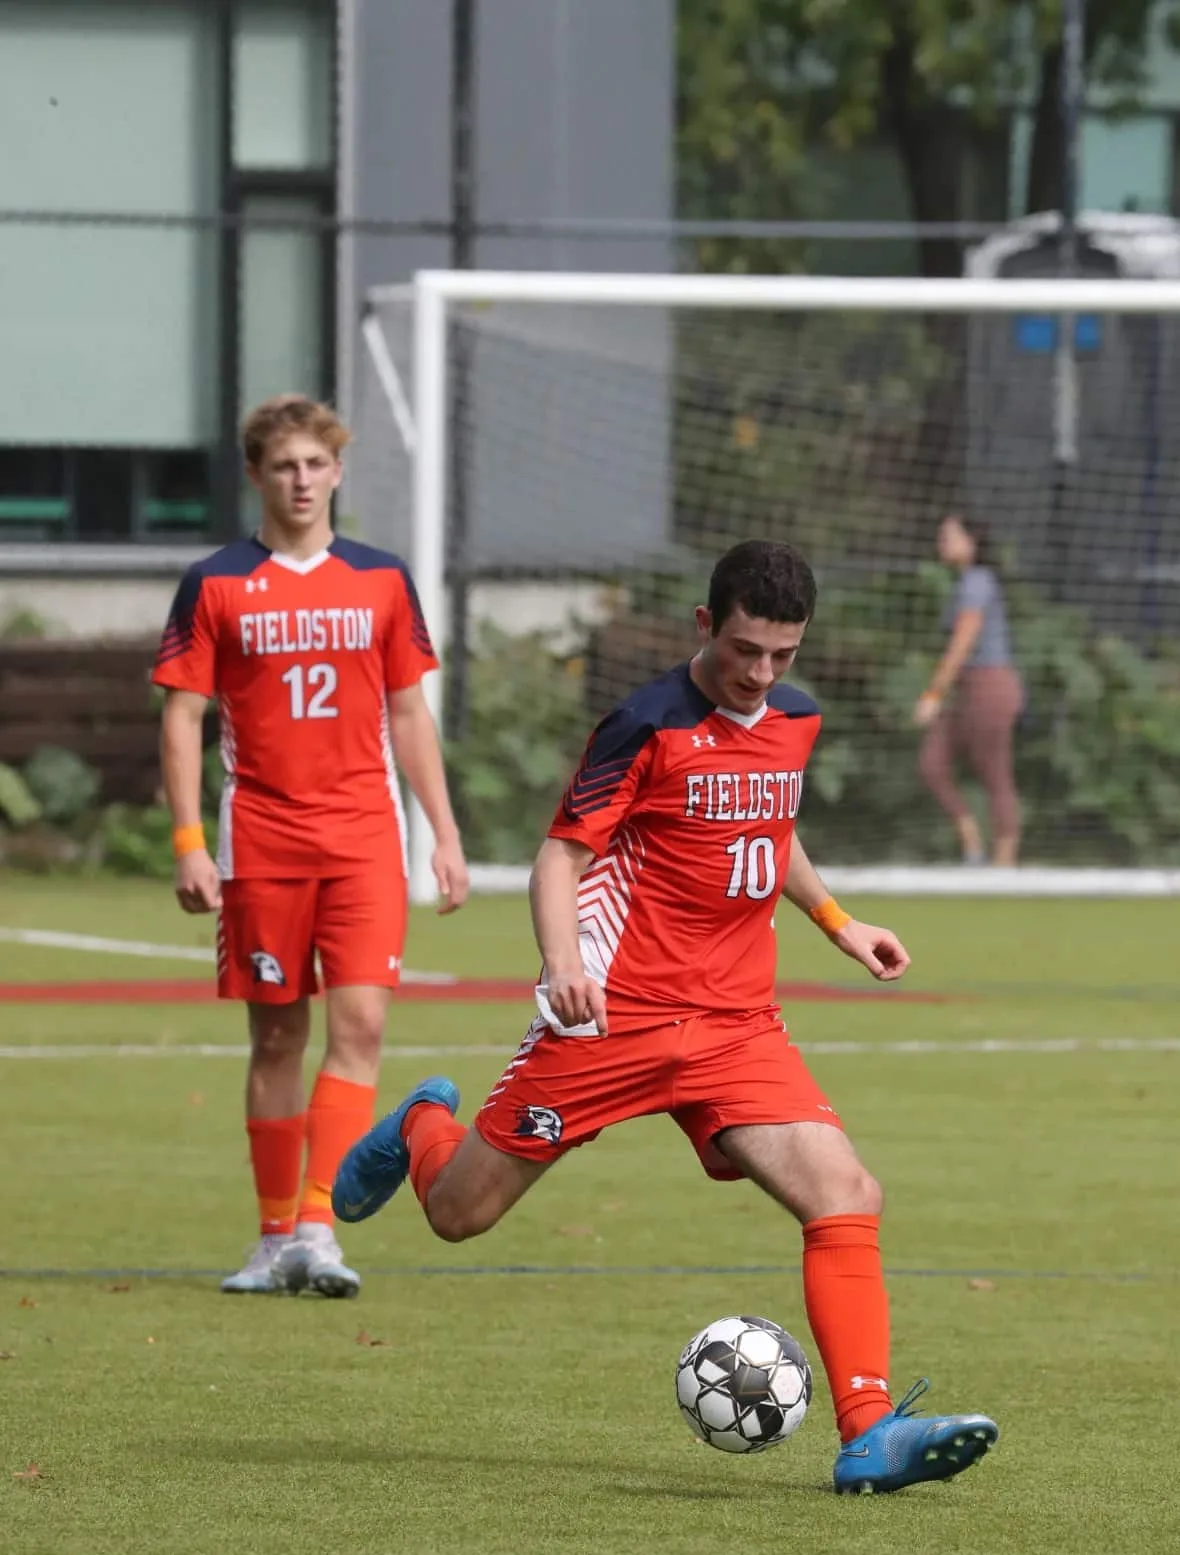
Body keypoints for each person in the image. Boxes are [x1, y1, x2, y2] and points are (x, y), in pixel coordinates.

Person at [331, 540, 998, 1496]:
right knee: (457, 1215)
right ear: (704, 624)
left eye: (782, 654)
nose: (760, 673)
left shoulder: (796, 719)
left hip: (735, 1024)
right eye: (744, 650)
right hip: (616, 1017)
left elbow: (769, 827)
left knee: (847, 1193)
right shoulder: (643, 725)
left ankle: (870, 1433)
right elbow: (560, 859)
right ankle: (422, 1123)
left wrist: (839, 922)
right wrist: (566, 966)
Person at [154, 394, 468, 1298]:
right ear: (256, 474)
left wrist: (444, 833)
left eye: (316, 464)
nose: (301, 480)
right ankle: (269, 1238)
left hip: (365, 838)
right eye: (284, 465)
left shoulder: (383, 580)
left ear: (337, 472)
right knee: (278, 1036)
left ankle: (318, 1230)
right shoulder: (214, 582)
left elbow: (408, 714)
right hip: (261, 841)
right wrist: (188, 842)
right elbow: (182, 717)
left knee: (361, 1025)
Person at [915, 513, 1025, 866]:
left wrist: (933, 695)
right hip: (967, 690)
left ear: (971, 542)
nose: (941, 543)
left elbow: (962, 643)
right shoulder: (967, 582)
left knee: (995, 773)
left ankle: (1005, 866)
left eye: (949, 536)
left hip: (990, 687)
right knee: (933, 763)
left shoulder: (977, 582)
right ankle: (973, 846)